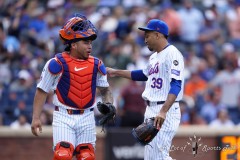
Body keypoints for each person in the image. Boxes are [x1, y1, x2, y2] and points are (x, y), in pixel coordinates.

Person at [31, 14, 114, 160]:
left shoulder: (97, 64)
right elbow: (42, 90)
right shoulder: (56, 63)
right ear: (73, 44)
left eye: (90, 43)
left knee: (87, 156)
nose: (90, 46)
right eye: (86, 42)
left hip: (87, 116)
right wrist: (36, 117)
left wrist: (109, 104)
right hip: (63, 115)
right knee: (62, 155)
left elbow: (105, 90)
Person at [107, 19, 184, 160]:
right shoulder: (154, 56)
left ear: (157, 35)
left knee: (159, 155)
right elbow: (142, 74)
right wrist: (115, 72)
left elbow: (176, 84)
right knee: (151, 157)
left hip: (165, 109)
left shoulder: (173, 53)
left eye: (147, 35)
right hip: (152, 109)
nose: (145, 39)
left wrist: (163, 111)